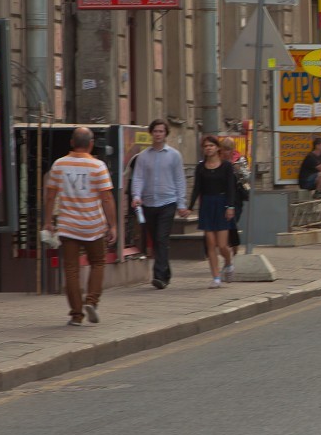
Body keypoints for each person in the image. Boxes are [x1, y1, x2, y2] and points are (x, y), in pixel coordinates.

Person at [43, 127, 117, 326]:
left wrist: (48, 221)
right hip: (93, 225)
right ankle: (91, 300)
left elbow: (50, 195)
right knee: (98, 262)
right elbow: (107, 198)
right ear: (91, 144)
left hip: (68, 226)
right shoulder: (98, 166)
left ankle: (76, 314)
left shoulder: (59, 165)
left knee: (71, 270)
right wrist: (113, 225)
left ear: (71, 143)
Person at [131, 119, 188, 290]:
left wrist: (181, 203)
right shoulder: (143, 156)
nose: (158, 134)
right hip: (149, 203)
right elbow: (138, 177)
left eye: (161, 131)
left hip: (167, 202)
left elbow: (179, 180)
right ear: (151, 133)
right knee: (156, 240)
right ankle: (166, 273)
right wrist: (136, 196)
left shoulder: (174, 155)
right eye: (155, 131)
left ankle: (159, 277)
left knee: (162, 238)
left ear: (165, 134)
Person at [188, 135, 236, 288]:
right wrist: (189, 207)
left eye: (211, 145)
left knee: (222, 245)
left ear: (217, 148)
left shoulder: (226, 166)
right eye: (205, 146)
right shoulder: (200, 167)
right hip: (207, 205)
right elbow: (197, 188)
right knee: (210, 244)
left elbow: (230, 188)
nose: (208, 148)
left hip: (222, 204)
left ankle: (228, 263)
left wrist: (230, 206)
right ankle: (216, 277)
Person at [220, 136, 251, 254]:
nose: (225, 152)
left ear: (233, 150)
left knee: (232, 224)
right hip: (222, 196)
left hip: (236, 196)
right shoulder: (218, 160)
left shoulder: (239, 160)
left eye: (228, 149)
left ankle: (234, 249)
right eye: (224, 149)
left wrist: (237, 170)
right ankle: (228, 249)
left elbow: (247, 177)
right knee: (225, 226)